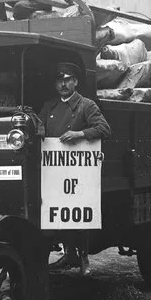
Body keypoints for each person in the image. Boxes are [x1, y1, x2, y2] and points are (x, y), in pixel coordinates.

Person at [39, 62, 111, 274]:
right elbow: (39, 122)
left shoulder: (86, 105)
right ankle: (69, 255)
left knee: (79, 214)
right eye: (59, 80)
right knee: (58, 213)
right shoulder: (50, 105)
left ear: (76, 82)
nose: (63, 84)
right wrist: (41, 128)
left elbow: (104, 128)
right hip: (55, 169)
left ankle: (84, 258)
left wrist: (79, 134)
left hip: (78, 170)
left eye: (67, 79)